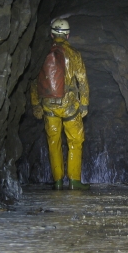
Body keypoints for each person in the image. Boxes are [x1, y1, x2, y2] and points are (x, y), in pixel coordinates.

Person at [30, 18, 90, 190]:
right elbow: (82, 81)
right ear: (68, 35)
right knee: (75, 141)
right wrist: (84, 104)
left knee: (53, 142)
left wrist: (36, 104)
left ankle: (57, 181)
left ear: (52, 34)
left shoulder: (43, 53)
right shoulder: (74, 54)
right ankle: (74, 181)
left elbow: (34, 80)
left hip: (48, 106)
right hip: (69, 105)